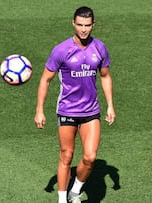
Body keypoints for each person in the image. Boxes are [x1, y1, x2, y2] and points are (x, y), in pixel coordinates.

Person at [34, 6, 116, 203]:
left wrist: (110, 105)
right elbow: (45, 79)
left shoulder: (100, 48)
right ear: (73, 24)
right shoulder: (61, 50)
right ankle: (63, 199)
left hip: (91, 111)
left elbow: (105, 76)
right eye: (80, 25)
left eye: (87, 25)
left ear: (93, 25)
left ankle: (75, 191)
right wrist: (39, 110)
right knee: (67, 155)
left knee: (90, 157)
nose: (84, 29)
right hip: (67, 110)